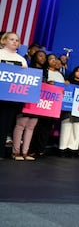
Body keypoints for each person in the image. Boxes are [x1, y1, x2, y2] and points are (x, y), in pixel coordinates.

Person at [0, 32, 28, 160]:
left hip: (10, 99)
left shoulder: (21, 59)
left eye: (17, 40)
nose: (15, 42)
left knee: (4, 126)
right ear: (3, 40)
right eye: (11, 39)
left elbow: (27, 78)